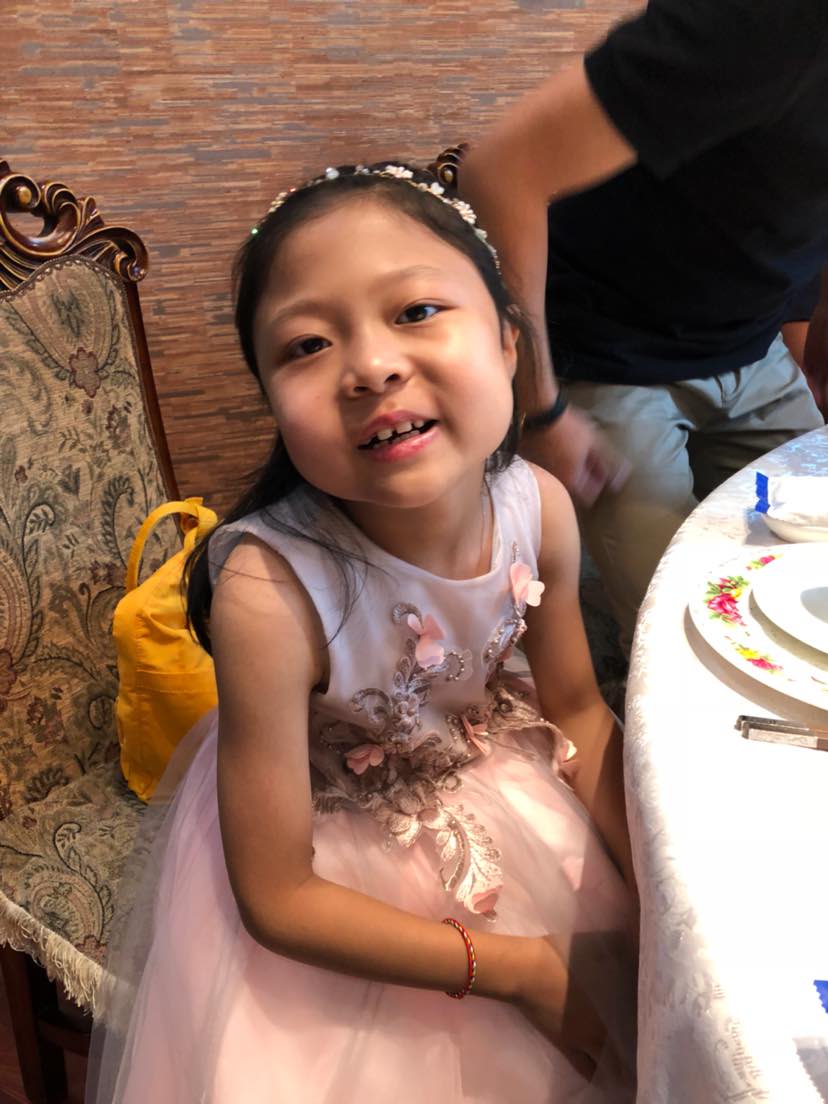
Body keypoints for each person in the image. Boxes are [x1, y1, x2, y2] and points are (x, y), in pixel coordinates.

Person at [86, 163, 638, 1103]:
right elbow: (277, 896)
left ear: (509, 340)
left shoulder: (538, 504)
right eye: (307, 343)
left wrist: (657, 882)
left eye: (416, 310)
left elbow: (579, 707)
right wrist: (522, 970)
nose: (373, 365)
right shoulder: (269, 590)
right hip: (336, 871)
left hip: (505, 783)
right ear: (269, 396)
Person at [453, 0, 828, 647]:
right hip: (607, 349)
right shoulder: (769, 20)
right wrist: (539, 408)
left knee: (806, 583)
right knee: (686, 632)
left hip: (753, 343)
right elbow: (496, 173)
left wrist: (814, 367)